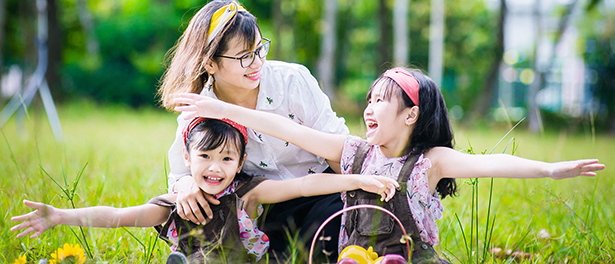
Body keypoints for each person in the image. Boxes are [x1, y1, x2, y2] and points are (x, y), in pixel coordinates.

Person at [174, 67, 605, 263]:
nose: (370, 108)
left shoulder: (430, 162)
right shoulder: (352, 151)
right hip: (354, 257)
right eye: (369, 100)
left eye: (382, 100)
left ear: (411, 115)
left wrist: (551, 171)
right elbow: (285, 129)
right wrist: (219, 108)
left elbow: (493, 163)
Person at [11, 118, 398, 264]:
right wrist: (61, 216)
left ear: (241, 159)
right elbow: (117, 216)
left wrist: (356, 180)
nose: (216, 167)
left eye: (227, 159)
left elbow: (304, 185)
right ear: (187, 155)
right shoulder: (175, 206)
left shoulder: (248, 193)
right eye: (206, 156)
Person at [158, 0, 349, 259]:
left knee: (325, 236)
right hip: (264, 207)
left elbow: (342, 148)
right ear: (210, 63)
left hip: (321, 189)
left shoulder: (292, 80)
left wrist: (358, 195)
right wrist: (186, 184)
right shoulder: (200, 106)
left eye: (260, 49)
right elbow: (181, 171)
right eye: (244, 57)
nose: (258, 62)